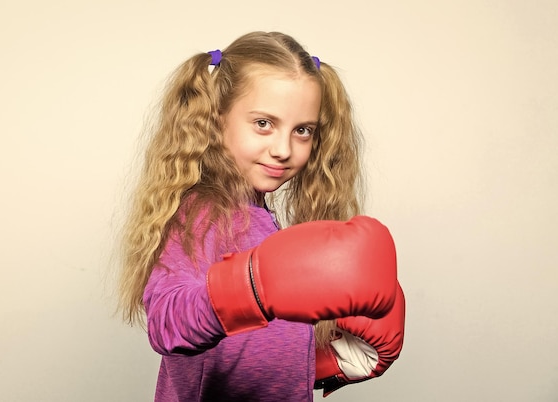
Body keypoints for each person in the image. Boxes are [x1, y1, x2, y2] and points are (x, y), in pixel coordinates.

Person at [118, 31, 405, 401]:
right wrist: (249, 288)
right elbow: (166, 323)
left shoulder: (265, 221)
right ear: (216, 119)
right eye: (263, 124)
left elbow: (255, 346)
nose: (284, 149)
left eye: (302, 131)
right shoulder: (199, 215)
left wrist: (328, 361)